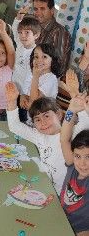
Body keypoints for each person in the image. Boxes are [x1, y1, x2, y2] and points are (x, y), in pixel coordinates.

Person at [5, 81, 89, 194]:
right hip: (47, 188)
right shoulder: (38, 135)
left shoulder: (72, 133)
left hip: (68, 193)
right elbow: (15, 126)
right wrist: (11, 101)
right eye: (37, 119)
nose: (43, 122)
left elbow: (85, 120)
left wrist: (75, 97)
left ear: (59, 115)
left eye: (47, 116)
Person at [60, 94, 89, 236]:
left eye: (88, 157)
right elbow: (64, 139)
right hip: (60, 220)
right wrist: (71, 110)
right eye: (78, 156)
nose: (82, 163)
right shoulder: (72, 166)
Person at [12, 9, 41, 121]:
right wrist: (18, 18)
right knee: (12, 116)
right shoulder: (20, 45)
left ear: (36, 35)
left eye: (27, 32)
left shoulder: (36, 53)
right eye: (21, 33)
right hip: (14, 91)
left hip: (25, 95)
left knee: (21, 119)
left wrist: (23, 95)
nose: (22, 36)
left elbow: (30, 77)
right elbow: (15, 31)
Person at [32, 0, 72, 76]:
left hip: (46, 82)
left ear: (52, 11)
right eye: (35, 9)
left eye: (42, 9)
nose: (38, 13)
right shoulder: (36, 27)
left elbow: (59, 68)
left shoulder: (59, 33)